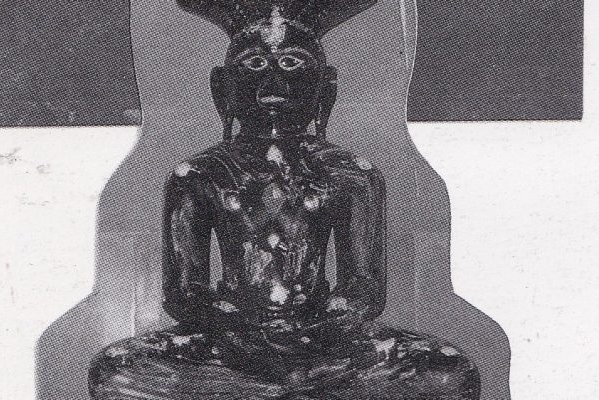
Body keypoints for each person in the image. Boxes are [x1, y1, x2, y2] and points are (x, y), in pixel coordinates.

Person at [88, 1, 480, 398]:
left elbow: (364, 290)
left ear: (326, 87)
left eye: (292, 63)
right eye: (255, 64)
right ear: (222, 87)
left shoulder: (351, 174)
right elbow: (184, 292)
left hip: (322, 342)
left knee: (449, 371)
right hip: (230, 342)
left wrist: (315, 330)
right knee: (117, 370)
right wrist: (237, 326)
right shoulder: (198, 175)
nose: (273, 83)